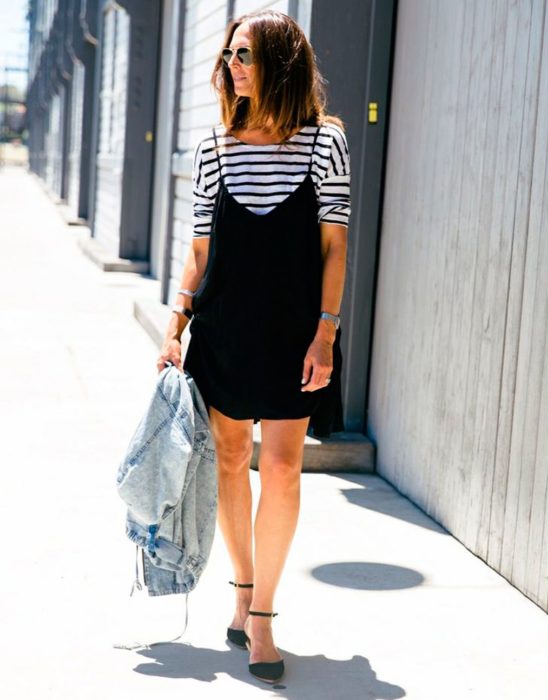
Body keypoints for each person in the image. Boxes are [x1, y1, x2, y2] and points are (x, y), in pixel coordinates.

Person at [157, 9, 350, 683]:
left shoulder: (325, 144)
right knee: (232, 458)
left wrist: (326, 333)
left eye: (245, 55)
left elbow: (334, 249)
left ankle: (264, 616)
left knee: (286, 466)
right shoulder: (215, 147)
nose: (231, 66)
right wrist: (175, 328)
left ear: (279, 64)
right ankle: (242, 594)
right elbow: (198, 251)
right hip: (225, 330)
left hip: (297, 335)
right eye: (229, 56)